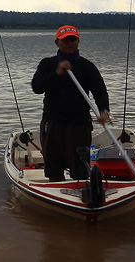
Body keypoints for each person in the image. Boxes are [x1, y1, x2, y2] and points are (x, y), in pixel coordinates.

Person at [31, 25, 111, 182]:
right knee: (54, 169)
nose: (70, 43)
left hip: (79, 125)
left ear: (78, 41)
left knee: (80, 170)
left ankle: (82, 195)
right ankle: (56, 196)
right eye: (65, 40)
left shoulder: (87, 67)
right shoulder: (47, 64)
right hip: (53, 124)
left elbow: (100, 91)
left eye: (73, 40)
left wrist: (104, 111)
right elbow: (37, 87)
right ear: (57, 43)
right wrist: (57, 73)